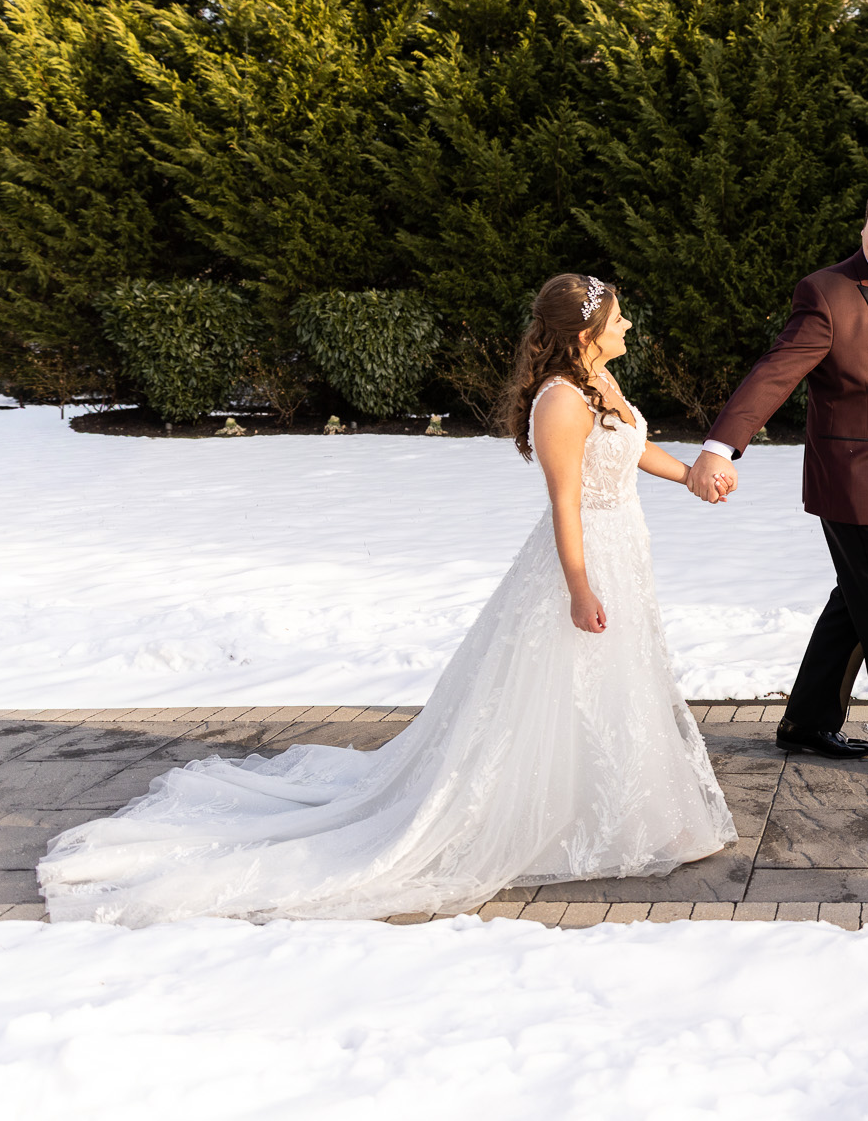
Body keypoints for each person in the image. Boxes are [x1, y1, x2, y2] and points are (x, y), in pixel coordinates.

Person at [38, 274, 737, 925]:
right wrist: (580, 588)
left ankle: (622, 808)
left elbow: (628, 448)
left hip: (625, 546)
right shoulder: (560, 400)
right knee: (564, 687)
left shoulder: (600, 379)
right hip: (582, 560)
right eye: (619, 319)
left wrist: (689, 478)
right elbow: (565, 506)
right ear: (586, 334)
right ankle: (548, 814)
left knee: (618, 683)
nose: (629, 326)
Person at [688, 174, 868, 784]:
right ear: (863, 225)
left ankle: (808, 723)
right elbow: (775, 372)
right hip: (854, 482)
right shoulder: (828, 293)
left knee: (858, 601)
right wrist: (720, 447)